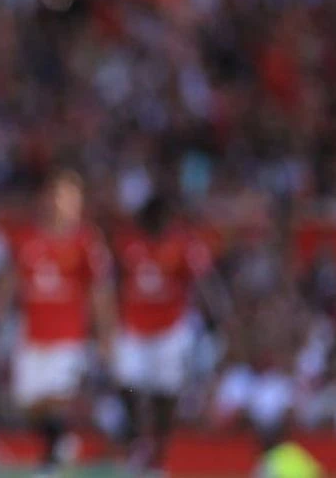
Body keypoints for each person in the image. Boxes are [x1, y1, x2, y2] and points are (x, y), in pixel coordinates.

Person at [4, 171, 114, 475]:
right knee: (27, 402)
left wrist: (106, 335)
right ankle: (62, 441)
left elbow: (100, 291)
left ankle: (51, 459)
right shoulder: (28, 239)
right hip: (32, 332)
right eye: (53, 196)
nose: (57, 203)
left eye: (65, 197)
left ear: (77, 203)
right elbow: (12, 280)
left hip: (69, 334)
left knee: (58, 397)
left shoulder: (86, 242)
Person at [110, 196, 223, 475]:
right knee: (126, 382)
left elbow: (204, 280)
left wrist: (216, 318)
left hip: (170, 329)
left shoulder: (183, 245)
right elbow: (113, 279)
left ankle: (158, 457)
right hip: (133, 328)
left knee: (165, 393)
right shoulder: (128, 243)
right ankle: (137, 438)